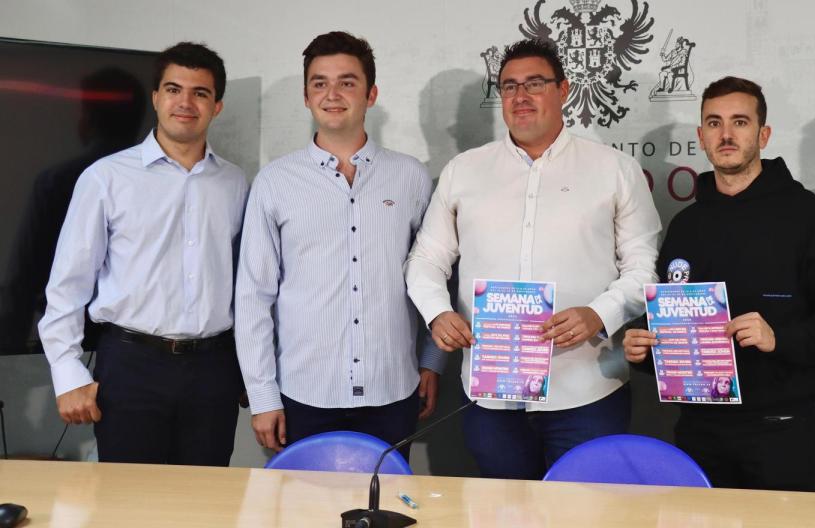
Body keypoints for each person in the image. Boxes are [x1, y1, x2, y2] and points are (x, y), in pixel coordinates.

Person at [405, 39, 660, 480]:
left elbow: (643, 270)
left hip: (588, 388)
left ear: (563, 90)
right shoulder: (464, 171)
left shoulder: (614, 169)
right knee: (503, 515)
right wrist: (437, 312)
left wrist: (599, 314)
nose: (520, 97)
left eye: (535, 84)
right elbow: (425, 259)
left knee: (586, 516)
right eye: (509, 87)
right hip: (492, 395)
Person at [624, 76, 815, 491]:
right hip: (698, 427)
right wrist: (641, 350)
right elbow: (669, 326)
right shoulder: (687, 225)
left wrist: (779, 338)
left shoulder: (808, 216)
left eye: (740, 122)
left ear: (763, 133)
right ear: (701, 136)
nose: (727, 134)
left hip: (780, 429)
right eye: (714, 123)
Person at [234, 31, 443, 459]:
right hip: (303, 395)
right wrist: (263, 397)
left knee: (387, 509)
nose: (332, 94)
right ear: (307, 96)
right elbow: (253, 297)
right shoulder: (275, 183)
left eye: (347, 82)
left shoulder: (411, 178)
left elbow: (435, 275)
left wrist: (432, 362)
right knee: (303, 514)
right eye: (319, 83)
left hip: (393, 390)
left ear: (372, 93)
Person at [37, 42, 248, 465]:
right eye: (173, 89)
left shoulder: (237, 184)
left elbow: (250, 287)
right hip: (131, 368)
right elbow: (67, 286)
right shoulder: (106, 179)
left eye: (200, 93)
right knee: (128, 504)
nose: (185, 102)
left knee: (204, 505)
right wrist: (67, 373)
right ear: (156, 98)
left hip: (213, 371)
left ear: (217, 106)